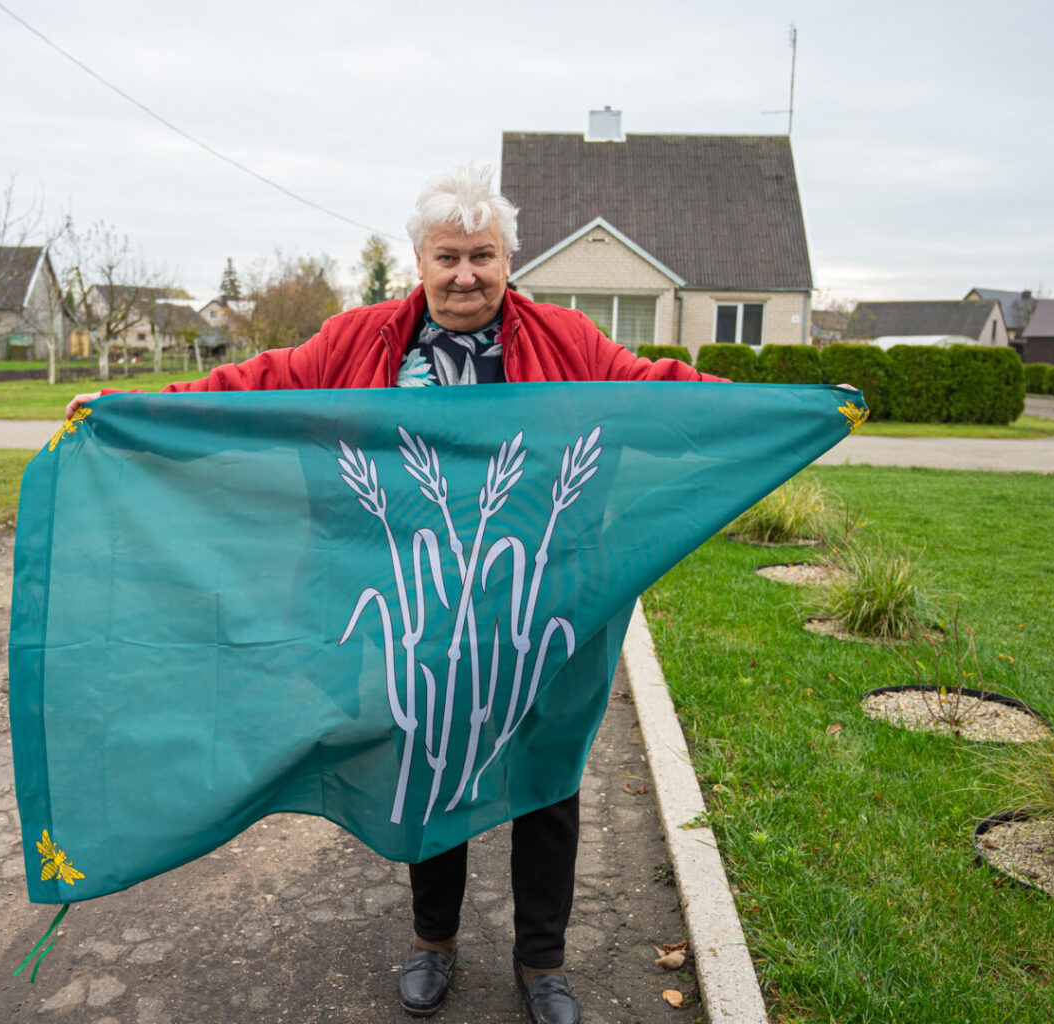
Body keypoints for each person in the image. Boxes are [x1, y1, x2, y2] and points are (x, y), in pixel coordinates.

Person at [65, 165, 723, 1024]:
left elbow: (654, 394)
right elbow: (255, 388)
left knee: (547, 777)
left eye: (483, 256)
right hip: (419, 609)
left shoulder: (567, 340)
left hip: (541, 605)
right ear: (420, 261)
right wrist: (131, 407)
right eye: (448, 257)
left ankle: (542, 962)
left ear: (508, 260)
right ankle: (433, 941)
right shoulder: (361, 341)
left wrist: (779, 409)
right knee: (433, 766)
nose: (465, 275)